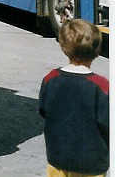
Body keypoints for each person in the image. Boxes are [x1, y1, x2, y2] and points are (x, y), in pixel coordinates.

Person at [38, 19, 109, 177]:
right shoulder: (102, 86)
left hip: (58, 159)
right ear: (97, 50)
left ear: (63, 47)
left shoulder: (50, 78)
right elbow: (107, 123)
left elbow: (43, 110)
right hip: (92, 163)